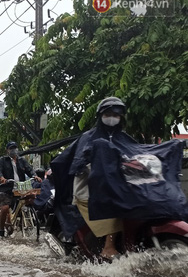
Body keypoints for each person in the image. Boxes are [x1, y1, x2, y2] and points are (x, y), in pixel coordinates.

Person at [51, 96, 188, 260]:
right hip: (90, 191)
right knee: (112, 206)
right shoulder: (89, 138)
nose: (112, 117)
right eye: (109, 113)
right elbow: (79, 163)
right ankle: (108, 248)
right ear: (101, 115)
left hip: (119, 187)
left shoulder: (125, 138)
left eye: (116, 114)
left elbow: (138, 155)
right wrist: (95, 166)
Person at [0, 141, 35, 237]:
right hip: (6, 189)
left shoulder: (22, 160)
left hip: (20, 188)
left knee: (30, 200)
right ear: (7, 150)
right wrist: (1, 178)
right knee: (5, 208)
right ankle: (1, 230)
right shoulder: (2, 160)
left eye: (15, 148)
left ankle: (24, 222)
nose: (14, 150)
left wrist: (35, 175)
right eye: (11, 148)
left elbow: (29, 169)